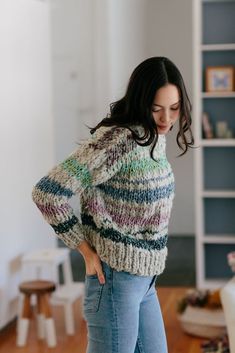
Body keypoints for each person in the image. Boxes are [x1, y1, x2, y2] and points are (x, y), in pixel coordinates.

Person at [31, 56, 194, 353]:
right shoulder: (118, 140)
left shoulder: (154, 138)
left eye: (174, 108)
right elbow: (47, 193)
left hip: (146, 282)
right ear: (141, 101)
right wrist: (84, 249)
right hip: (115, 281)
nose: (167, 119)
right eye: (156, 109)